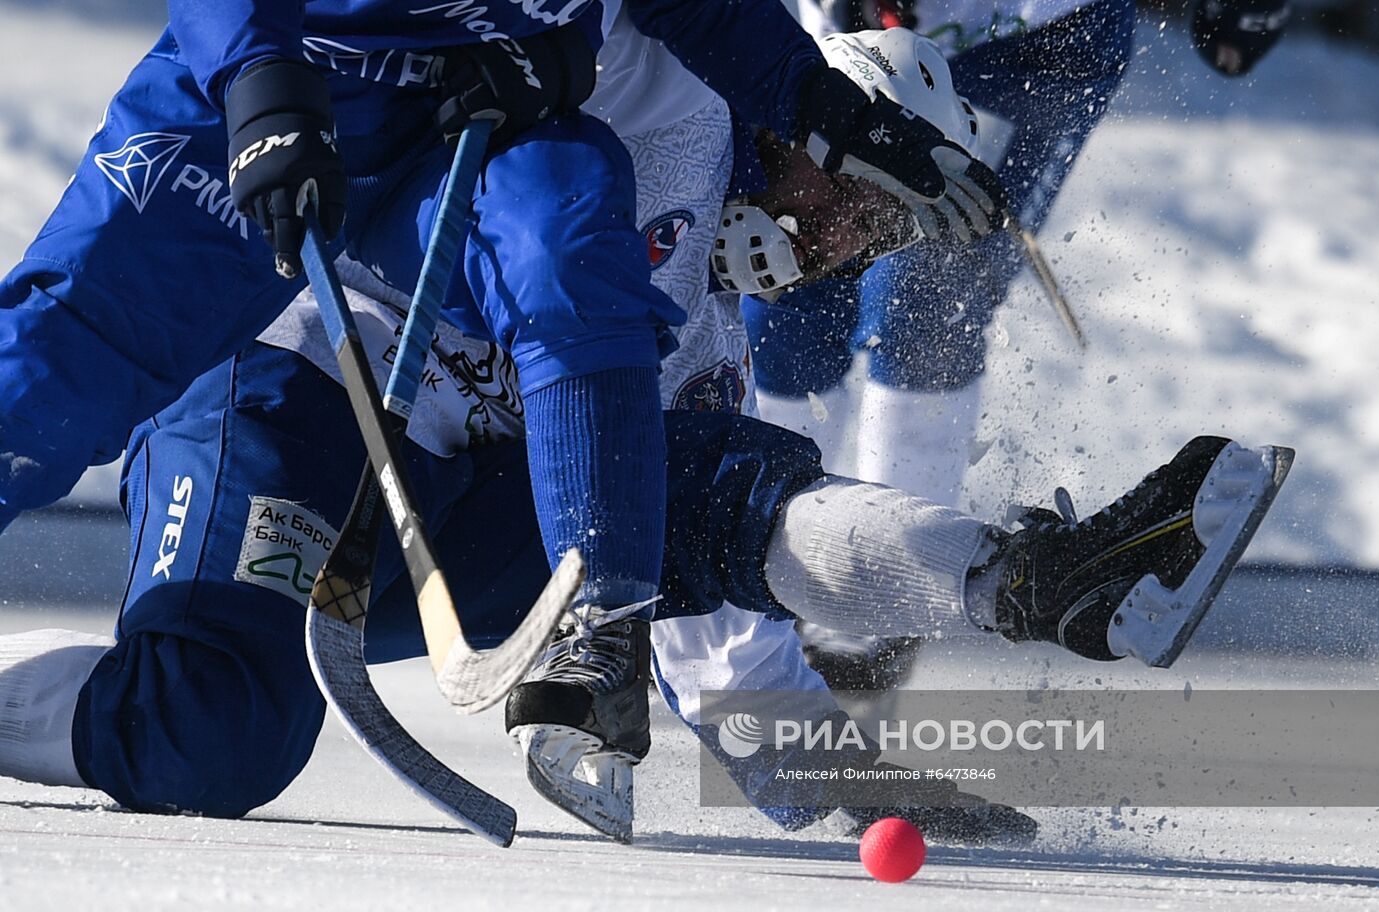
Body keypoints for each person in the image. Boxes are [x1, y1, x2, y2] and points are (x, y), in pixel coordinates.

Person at [0, 0, 1003, 833]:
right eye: (845, 204)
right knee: (60, 384)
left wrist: (827, 108)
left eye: (873, 232)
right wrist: (260, 73)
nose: (836, 242)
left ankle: (591, 636)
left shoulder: (692, 207)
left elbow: (705, 588)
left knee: (599, 295)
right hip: (303, 163)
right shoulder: (679, 117)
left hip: (476, 137)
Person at [740, 0, 1291, 680]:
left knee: (925, 299)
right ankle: (757, 567)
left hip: (1017, 42)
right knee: (785, 281)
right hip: (830, 42)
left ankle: (881, 605)